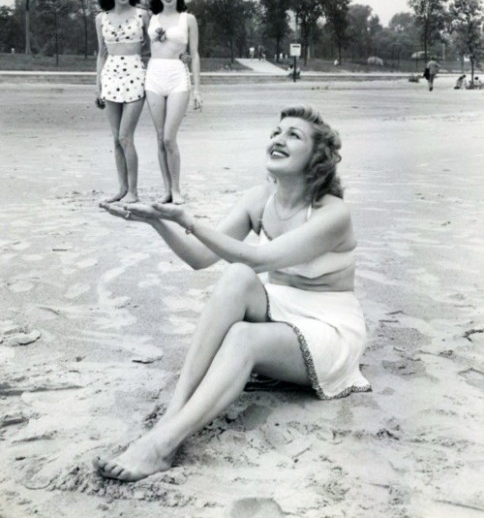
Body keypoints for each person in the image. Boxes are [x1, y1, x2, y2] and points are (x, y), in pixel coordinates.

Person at [94, 105, 371, 482]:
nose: (279, 138)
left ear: (316, 158)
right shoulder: (259, 199)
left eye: (294, 135)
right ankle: (174, 411)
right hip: (283, 307)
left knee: (243, 333)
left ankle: (162, 445)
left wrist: (190, 220)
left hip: (329, 328)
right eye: (276, 131)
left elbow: (259, 258)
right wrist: (158, 222)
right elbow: (201, 258)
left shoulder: (333, 213)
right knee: (236, 277)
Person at [145, 0, 202, 205]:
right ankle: (167, 190)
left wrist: (197, 90)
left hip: (178, 76)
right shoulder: (152, 18)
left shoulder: (187, 19)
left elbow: (195, 55)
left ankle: (177, 189)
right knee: (160, 137)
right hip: (154, 76)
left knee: (169, 137)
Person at [95, 0, 150, 203]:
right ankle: (122, 188)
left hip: (136, 77)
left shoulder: (143, 14)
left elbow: (152, 49)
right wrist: (98, 86)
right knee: (116, 138)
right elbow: (101, 54)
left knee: (126, 136)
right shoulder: (101, 18)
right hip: (110, 78)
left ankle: (134, 192)